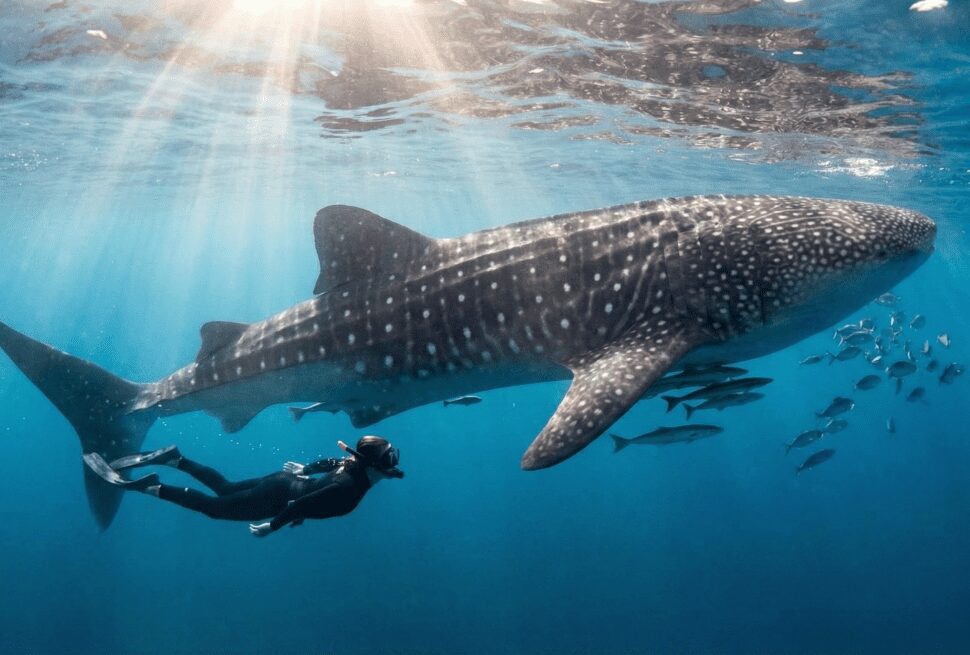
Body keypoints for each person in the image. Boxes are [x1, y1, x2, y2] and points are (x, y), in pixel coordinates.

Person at [83, 436, 403, 537]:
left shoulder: (351, 467)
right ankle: (151, 486)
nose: (392, 465)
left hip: (284, 482)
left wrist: (305, 468)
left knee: (225, 487)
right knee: (214, 509)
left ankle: (175, 459)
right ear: (373, 465)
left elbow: (326, 466)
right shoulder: (350, 489)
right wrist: (271, 527)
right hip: (279, 499)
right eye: (389, 459)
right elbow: (300, 505)